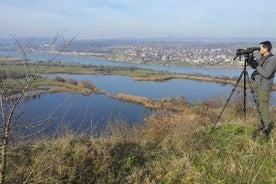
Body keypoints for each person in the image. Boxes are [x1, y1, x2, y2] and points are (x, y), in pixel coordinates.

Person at [248, 40, 276, 138]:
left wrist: (256, 65)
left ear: (266, 48)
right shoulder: (264, 58)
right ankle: (263, 125)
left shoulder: (272, 59)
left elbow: (266, 74)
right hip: (259, 85)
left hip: (264, 86)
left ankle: (266, 129)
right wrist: (251, 62)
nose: (259, 50)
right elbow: (259, 68)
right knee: (260, 107)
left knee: (263, 108)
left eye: (260, 48)